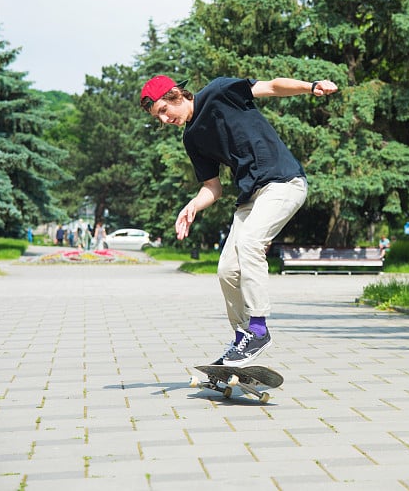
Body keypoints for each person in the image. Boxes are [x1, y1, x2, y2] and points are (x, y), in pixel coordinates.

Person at [140, 74, 338, 366]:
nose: (164, 120)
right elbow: (213, 187)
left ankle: (258, 330)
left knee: (249, 243)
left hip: (284, 183)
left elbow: (270, 86)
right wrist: (193, 206)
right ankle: (242, 338)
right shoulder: (191, 138)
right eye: (158, 117)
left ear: (175, 95)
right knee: (227, 270)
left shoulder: (220, 91)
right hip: (251, 196)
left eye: (163, 111)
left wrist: (311, 87)